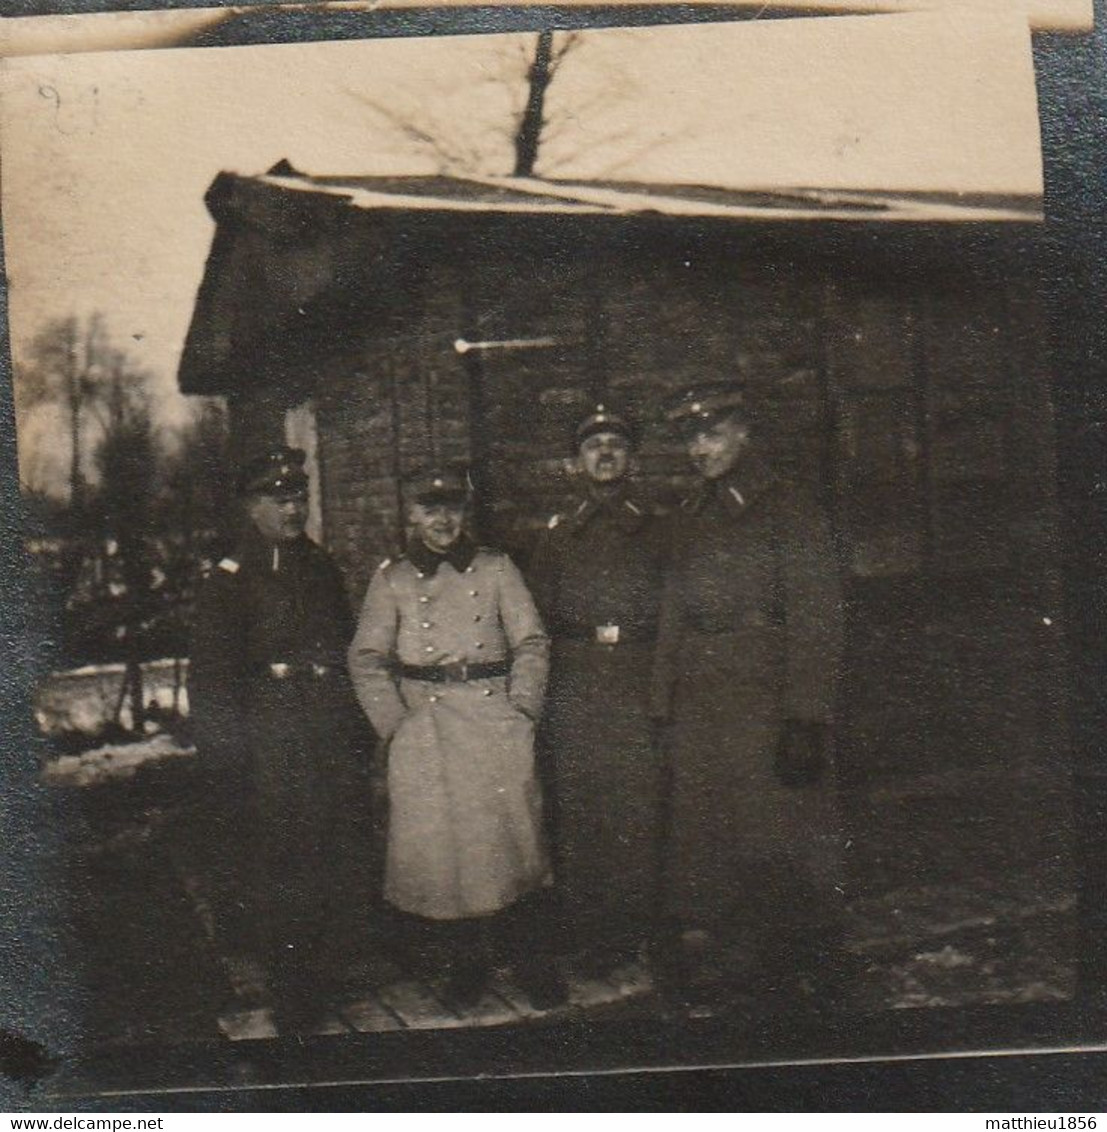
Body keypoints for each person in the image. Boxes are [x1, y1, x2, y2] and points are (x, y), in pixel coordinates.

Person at [650, 382, 847, 1011]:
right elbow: (674, 613)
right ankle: (740, 957)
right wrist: (663, 702)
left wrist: (805, 715)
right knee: (712, 836)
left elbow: (817, 613)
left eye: (709, 434)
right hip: (702, 701)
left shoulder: (787, 508)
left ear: (743, 432)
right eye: (689, 437)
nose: (697, 449)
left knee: (782, 829)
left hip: (766, 697)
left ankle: (806, 957)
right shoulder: (689, 514)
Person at [347, 467, 567, 1010]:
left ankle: (531, 963)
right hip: (428, 725)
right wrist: (396, 725)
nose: (442, 520)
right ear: (412, 515)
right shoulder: (393, 579)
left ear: (464, 513)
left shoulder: (496, 569)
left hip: (494, 720)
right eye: (429, 509)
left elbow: (532, 642)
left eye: (452, 508)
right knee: (450, 854)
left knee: (511, 841)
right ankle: (468, 963)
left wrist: (522, 709)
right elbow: (367, 658)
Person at [188, 446, 367, 1033]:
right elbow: (211, 681)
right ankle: (291, 989)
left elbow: (344, 652)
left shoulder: (320, 568)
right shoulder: (229, 580)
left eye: (300, 498)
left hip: (325, 735)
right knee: (281, 862)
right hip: (268, 744)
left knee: (331, 852)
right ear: (252, 506)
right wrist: (226, 756)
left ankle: (327, 968)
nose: (294, 511)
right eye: (280, 499)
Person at [528, 405, 667, 975]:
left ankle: (648, 927)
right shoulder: (558, 536)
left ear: (632, 459)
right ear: (575, 462)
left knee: (642, 805)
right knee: (583, 808)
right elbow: (536, 619)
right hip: (578, 681)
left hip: (638, 673)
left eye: (615, 444)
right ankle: (593, 931)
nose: (605, 453)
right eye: (593, 446)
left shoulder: (660, 528)